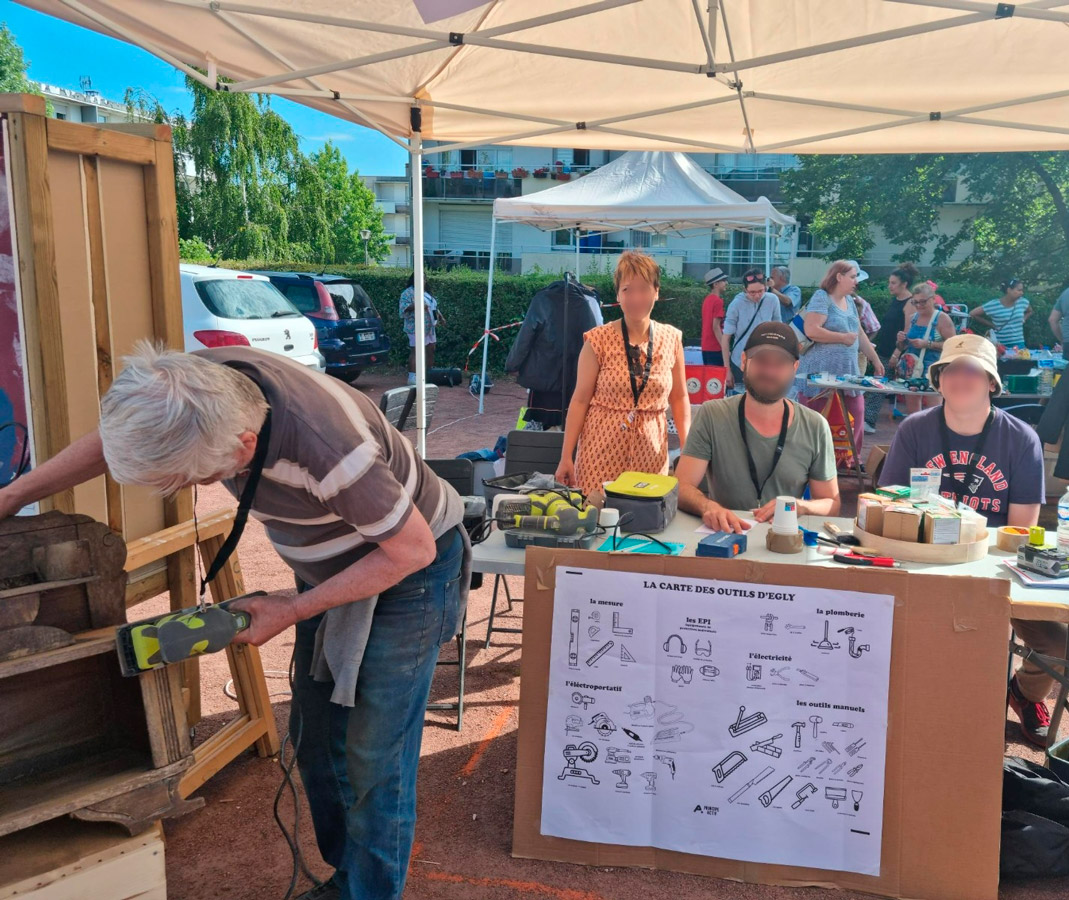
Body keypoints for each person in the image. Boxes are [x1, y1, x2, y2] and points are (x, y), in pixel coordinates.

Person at [0, 344, 468, 899]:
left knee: (375, 753)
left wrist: (292, 611)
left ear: (246, 444)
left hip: (408, 568)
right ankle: (351, 882)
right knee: (316, 737)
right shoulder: (186, 390)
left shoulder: (329, 448)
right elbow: (118, 440)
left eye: (195, 478)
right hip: (332, 567)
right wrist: (13, 496)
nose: (193, 487)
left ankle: (371, 893)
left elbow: (409, 551)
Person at [877, 334, 1069, 747]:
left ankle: (1022, 693)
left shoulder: (1021, 438)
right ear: (938, 378)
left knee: (1062, 643)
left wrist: (977, 556)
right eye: (952, 369)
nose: (961, 378)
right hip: (925, 564)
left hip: (993, 569)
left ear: (991, 382)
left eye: (973, 370)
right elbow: (888, 506)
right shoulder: (915, 429)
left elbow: (1021, 528)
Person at [677, 322, 840, 533]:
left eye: (780, 363)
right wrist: (708, 507)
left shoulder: (815, 425)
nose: (770, 371)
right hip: (725, 535)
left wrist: (800, 506)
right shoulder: (712, 415)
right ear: (744, 361)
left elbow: (831, 502)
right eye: (761, 360)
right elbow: (681, 487)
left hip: (784, 540)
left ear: (794, 368)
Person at [556, 251, 690, 495]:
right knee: (597, 521)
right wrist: (566, 456)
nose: (636, 297)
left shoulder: (672, 339)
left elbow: (680, 397)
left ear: (656, 292)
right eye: (628, 289)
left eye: (644, 288)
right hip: (600, 454)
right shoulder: (598, 340)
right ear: (618, 294)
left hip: (650, 455)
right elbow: (580, 400)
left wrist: (687, 447)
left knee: (646, 523)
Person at [796, 260, 885, 457]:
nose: (856, 281)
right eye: (853, 277)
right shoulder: (822, 297)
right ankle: (811, 460)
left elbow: (859, 333)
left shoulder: (851, 301)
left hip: (848, 371)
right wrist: (842, 338)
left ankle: (851, 460)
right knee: (815, 418)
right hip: (819, 372)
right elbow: (812, 330)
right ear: (839, 276)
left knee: (856, 413)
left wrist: (875, 359)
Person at [864, 262, 920, 433]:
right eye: (889, 282)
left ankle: (869, 420)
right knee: (878, 384)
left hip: (895, 352)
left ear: (904, 284)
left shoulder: (910, 303)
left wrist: (897, 353)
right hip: (884, 349)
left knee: (880, 385)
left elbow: (908, 331)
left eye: (893, 283)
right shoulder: (896, 300)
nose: (890, 286)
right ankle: (868, 419)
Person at [721, 269, 782, 390]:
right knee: (740, 400)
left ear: (765, 287)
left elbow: (778, 329)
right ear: (745, 289)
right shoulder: (736, 304)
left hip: (766, 361)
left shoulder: (772, 300)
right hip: (740, 362)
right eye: (752, 292)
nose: (757, 295)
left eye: (761, 291)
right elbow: (725, 339)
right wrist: (727, 370)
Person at [400, 272, 446, 385]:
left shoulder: (426, 293)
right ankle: (412, 378)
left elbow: (433, 306)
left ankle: (428, 375)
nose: (423, 281)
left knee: (431, 349)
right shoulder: (408, 293)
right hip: (415, 327)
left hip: (429, 327)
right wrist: (416, 305)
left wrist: (440, 316)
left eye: (424, 279)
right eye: (420, 279)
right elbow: (403, 310)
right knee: (416, 351)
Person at [971, 278, 1032, 349]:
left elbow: (1030, 311)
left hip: (1019, 344)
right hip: (999, 346)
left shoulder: (1023, 302)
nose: (1022, 293)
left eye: (1022, 290)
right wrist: (991, 325)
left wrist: (1024, 318)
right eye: (1019, 290)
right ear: (1009, 290)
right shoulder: (994, 304)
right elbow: (973, 313)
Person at [700, 267, 729, 366]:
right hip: (716, 347)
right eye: (723, 281)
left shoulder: (707, 300)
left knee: (709, 379)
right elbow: (716, 326)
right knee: (719, 380)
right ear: (716, 284)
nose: (726, 283)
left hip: (706, 346)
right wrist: (724, 348)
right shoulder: (718, 301)